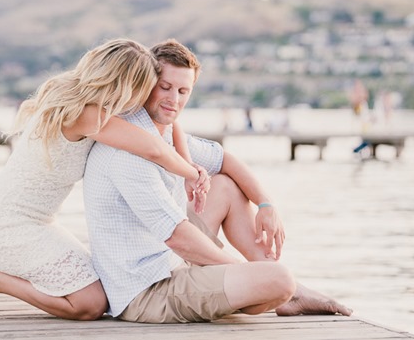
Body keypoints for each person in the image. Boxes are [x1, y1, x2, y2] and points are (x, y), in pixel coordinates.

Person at [83, 39, 352, 323]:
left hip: (171, 260)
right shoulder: (129, 147)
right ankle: (289, 291)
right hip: (146, 291)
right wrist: (244, 272)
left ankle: (279, 289)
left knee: (224, 186)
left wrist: (266, 205)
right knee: (280, 280)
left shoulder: (162, 131)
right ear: (146, 83)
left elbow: (226, 160)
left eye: (183, 90)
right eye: (165, 87)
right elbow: (177, 237)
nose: (174, 99)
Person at [0, 38, 211, 320]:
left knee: (99, 292)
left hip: (39, 222)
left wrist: (188, 162)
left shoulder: (78, 100)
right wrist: (194, 174)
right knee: (90, 304)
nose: (142, 100)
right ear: (122, 84)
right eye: (141, 90)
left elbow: (171, 123)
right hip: (7, 226)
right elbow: (154, 149)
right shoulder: (85, 114)